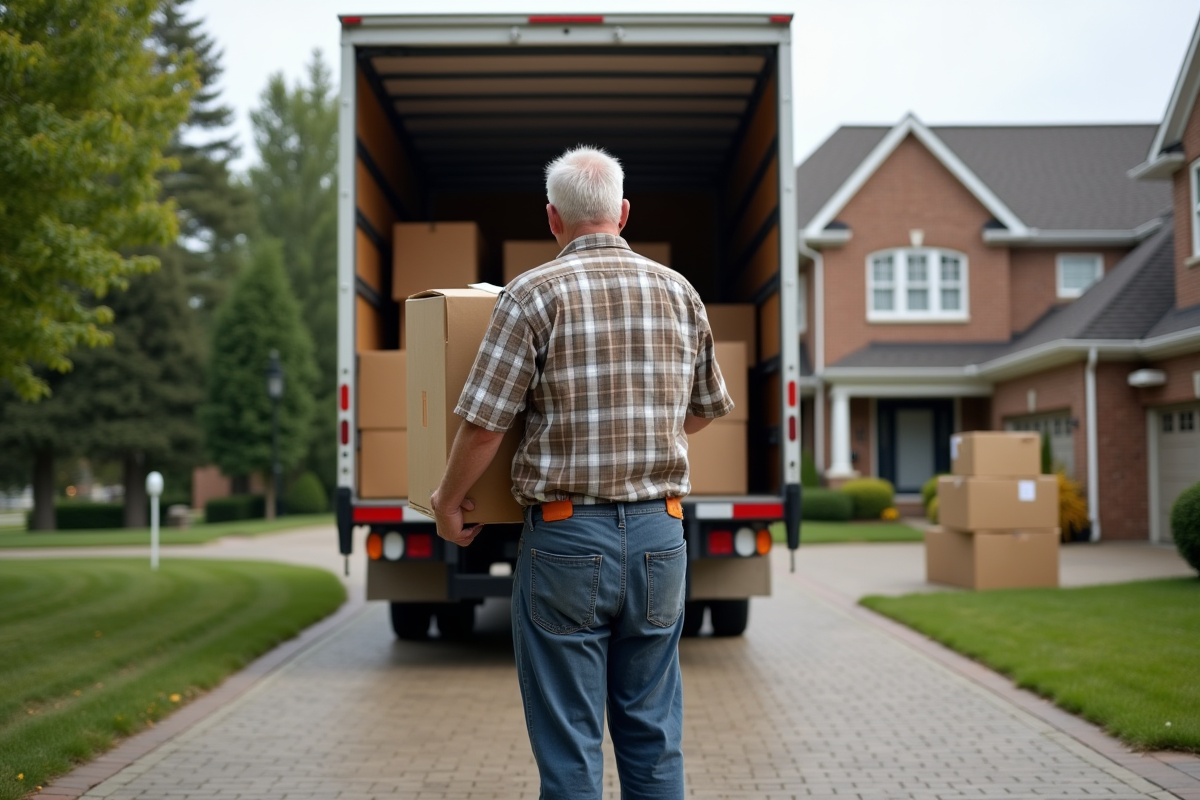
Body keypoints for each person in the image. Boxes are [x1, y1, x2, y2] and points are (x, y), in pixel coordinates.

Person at [429, 145, 733, 800]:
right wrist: (640, 433)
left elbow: (485, 426)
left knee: (570, 746)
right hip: (661, 537)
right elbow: (706, 411)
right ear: (623, 213)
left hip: (567, 541)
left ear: (553, 219)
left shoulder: (530, 296)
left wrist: (448, 501)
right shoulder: (679, 292)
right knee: (652, 735)